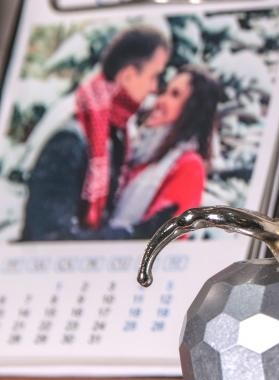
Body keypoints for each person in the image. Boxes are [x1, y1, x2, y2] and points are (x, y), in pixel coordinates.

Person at [20, 26, 170, 241]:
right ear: (128, 76)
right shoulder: (70, 140)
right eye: (153, 76)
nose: (155, 88)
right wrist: (134, 235)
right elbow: (49, 236)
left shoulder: (116, 133)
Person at [108, 65, 222, 232]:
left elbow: (165, 236)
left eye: (174, 95)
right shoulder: (142, 152)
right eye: (164, 92)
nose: (160, 100)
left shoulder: (189, 166)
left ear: (193, 110)